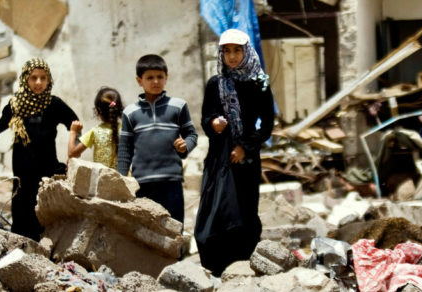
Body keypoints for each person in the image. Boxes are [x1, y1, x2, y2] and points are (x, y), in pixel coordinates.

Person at [194, 29, 276, 276]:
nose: (231, 56)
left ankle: (244, 262)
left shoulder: (260, 82)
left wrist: (244, 148)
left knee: (244, 208)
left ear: (246, 51)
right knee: (214, 208)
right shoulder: (215, 83)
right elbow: (206, 118)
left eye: (237, 50)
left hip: (246, 157)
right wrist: (213, 124)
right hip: (219, 155)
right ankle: (215, 266)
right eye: (227, 51)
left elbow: (267, 124)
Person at [0, 58, 79, 241]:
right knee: (22, 198)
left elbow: (74, 122)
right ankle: (21, 239)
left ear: (48, 80)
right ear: (25, 79)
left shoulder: (54, 104)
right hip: (22, 164)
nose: (38, 83)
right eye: (33, 78)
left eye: (43, 78)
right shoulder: (16, 105)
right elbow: (3, 121)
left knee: (43, 200)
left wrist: (74, 151)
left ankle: (45, 239)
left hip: (46, 163)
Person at [117, 54, 198, 224]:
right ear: (139, 81)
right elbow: (125, 149)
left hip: (171, 180)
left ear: (166, 78)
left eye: (160, 77)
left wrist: (185, 146)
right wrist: (122, 178)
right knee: (146, 230)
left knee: (174, 228)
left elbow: (192, 135)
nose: (155, 81)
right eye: (150, 77)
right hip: (142, 183)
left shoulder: (178, 106)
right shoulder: (130, 113)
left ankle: (178, 253)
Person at [68, 87, 124, 169]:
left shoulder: (95, 132)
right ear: (119, 108)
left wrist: (73, 132)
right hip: (125, 179)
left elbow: (72, 153)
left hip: (102, 179)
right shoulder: (126, 130)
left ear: (98, 111)